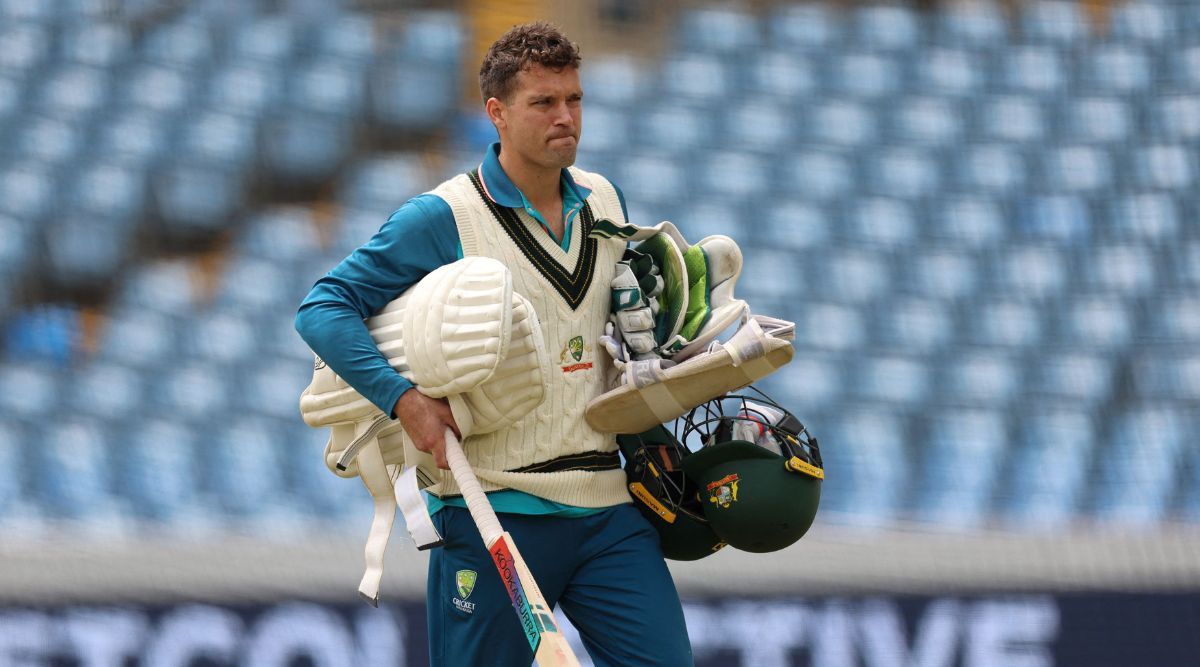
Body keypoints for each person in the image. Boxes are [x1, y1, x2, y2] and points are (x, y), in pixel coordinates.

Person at [295, 21, 694, 667]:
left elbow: (615, 340)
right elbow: (323, 308)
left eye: (574, 100)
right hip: (493, 511)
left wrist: (653, 436)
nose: (565, 117)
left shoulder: (605, 198)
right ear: (497, 114)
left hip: (607, 508)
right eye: (544, 103)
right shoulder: (443, 216)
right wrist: (405, 400)